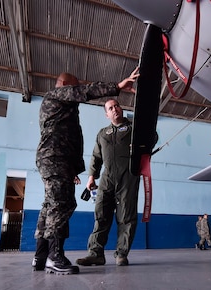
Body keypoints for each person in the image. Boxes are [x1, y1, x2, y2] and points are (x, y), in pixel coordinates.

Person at [32, 68, 140, 275]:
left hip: (57, 160)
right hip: (55, 159)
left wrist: (73, 168)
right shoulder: (56, 95)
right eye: (75, 84)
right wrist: (116, 87)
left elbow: (68, 138)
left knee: (49, 204)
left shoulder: (64, 108)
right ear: (65, 86)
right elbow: (85, 92)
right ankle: (55, 256)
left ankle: (40, 255)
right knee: (61, 203)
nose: (78, 87)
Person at [75, 98, 141, 267]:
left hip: (128, 176)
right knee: (101, 214)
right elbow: (96, 156)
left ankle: (121, 254)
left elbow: (152, 138)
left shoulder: (134, 128)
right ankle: (95, 254)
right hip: (107, 178)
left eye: (117, 105)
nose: (115, 109)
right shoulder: (102, 133)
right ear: (107, 114)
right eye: (110, 108)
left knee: (126, 216)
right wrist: (91, 177)